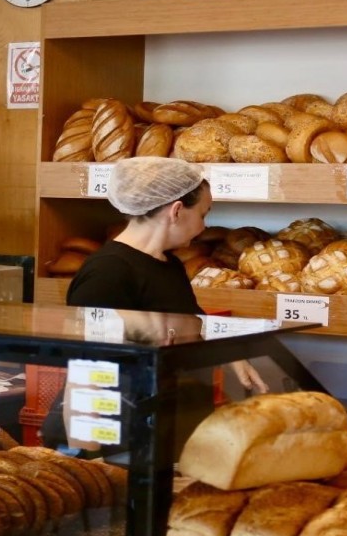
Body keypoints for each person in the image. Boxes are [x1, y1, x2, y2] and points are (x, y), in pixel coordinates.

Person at [65, 155, 267, 392]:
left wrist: (232, 355)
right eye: (203, 215)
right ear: (177, 211)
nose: (204, 227)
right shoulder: (107, 272)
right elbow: (88, 368)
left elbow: (193, 322)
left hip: (168, 404)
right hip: (123, 414)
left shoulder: (169, 263)